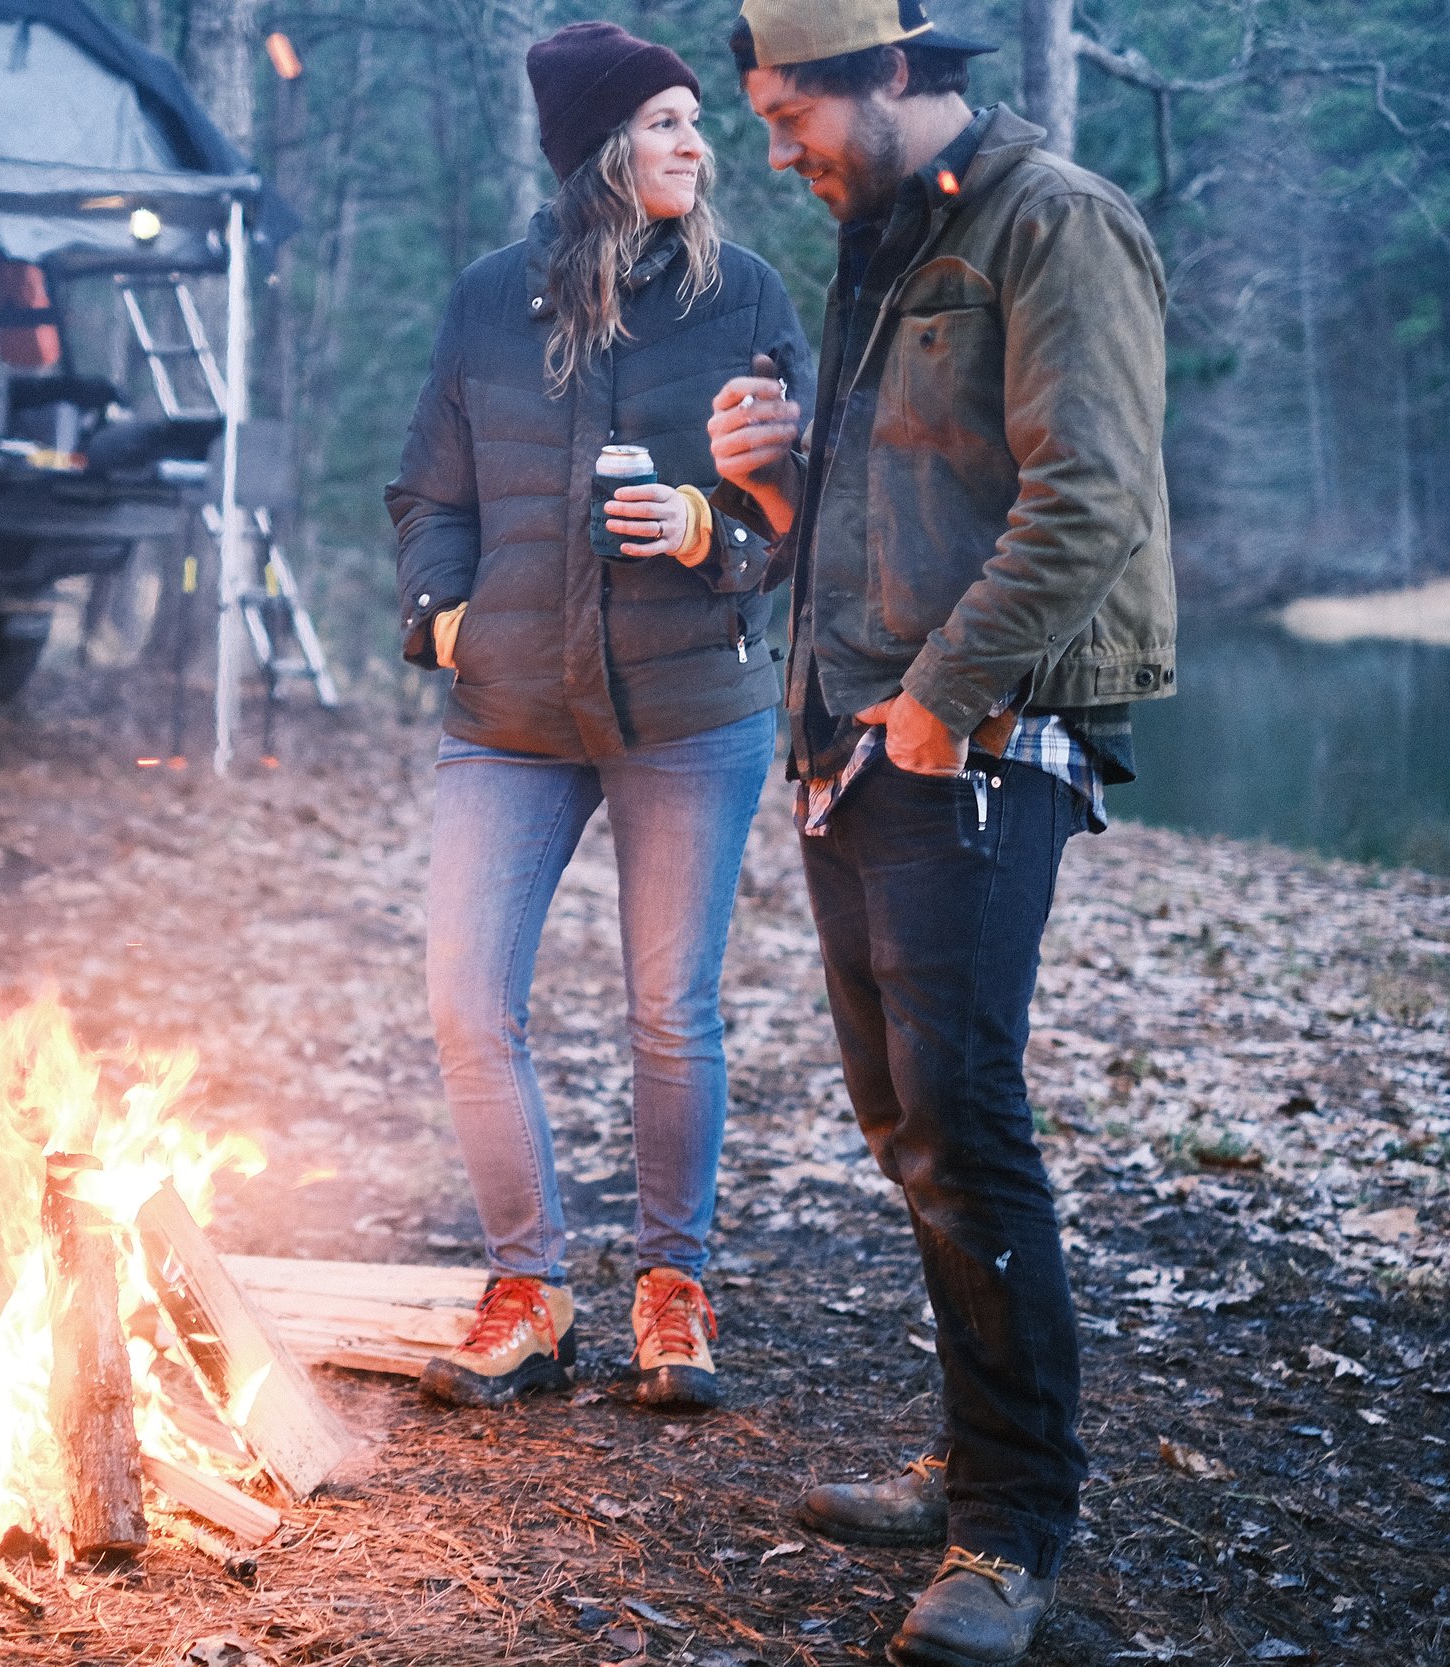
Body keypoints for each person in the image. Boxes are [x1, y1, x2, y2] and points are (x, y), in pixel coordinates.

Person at [704, 1, 1176, 1661]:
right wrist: (779, 484)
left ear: (893, 73)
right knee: (908, 1123)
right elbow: (900, 507)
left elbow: (1089, 493)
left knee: (963, 1125)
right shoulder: (890, 235)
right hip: (858, 741)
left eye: (790, 116)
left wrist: (937, 695)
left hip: (973, 741)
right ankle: (975, 1464)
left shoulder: (1055, 224)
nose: (776, 154)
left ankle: (1013, 1531)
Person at [388, 21, 812, 1413]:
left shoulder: (744, 297)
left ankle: (672, 1287)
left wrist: (706, 531)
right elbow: (428, 495)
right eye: (666, 121)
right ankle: (531, 1290)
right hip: (509, 706)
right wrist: (446, 620)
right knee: (466, 999)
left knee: (668, 1012)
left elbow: (802, 514)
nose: (700, 144)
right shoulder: (487, 300)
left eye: (698, 120)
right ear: (596, 151)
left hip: (690, 704)